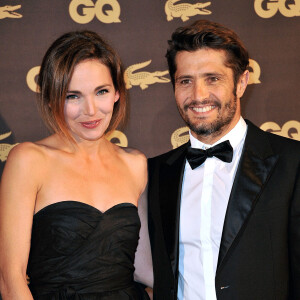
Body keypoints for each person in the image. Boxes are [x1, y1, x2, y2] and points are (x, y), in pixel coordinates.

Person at [147, 20, 300, 299]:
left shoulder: (292, 163)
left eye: (212, 79)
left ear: (241, 82)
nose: (198, 95)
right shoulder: (156, 173)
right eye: (185, 81)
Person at [0, 30, 151, 299]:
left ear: (117, 92)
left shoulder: (135, 164)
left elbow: (145, 269)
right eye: (73, 96)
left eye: (101, 92)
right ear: (51, 98)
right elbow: (10, 280)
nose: (91, 110)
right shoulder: (29, 160)